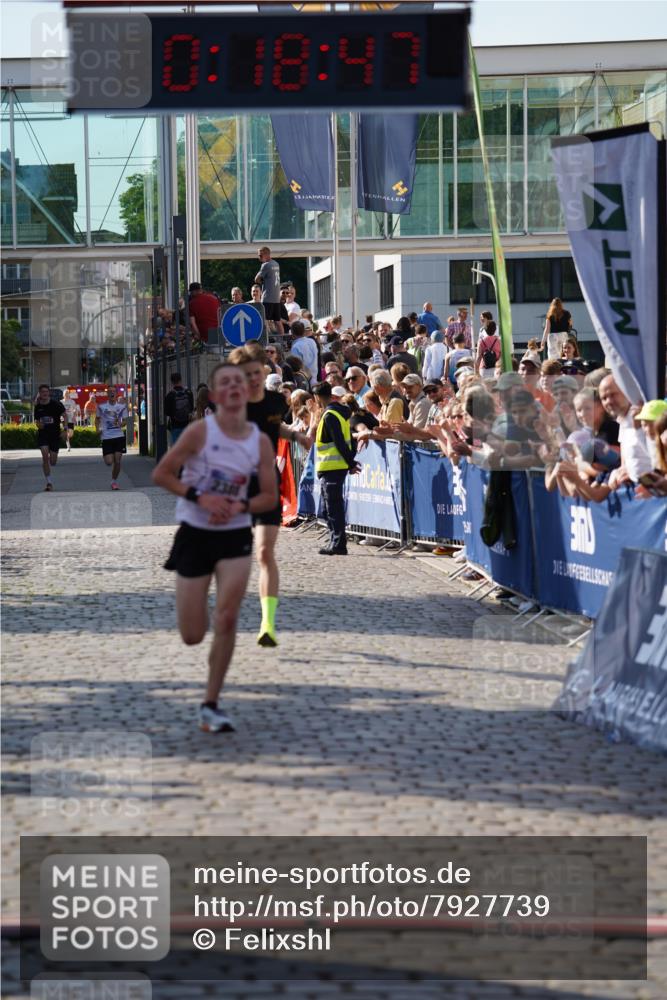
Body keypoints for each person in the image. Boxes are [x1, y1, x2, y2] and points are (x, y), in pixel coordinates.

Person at [153, 363, 277, 733]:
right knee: (192, 634)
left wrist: (240, 506)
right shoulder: (198, 433)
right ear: (216, 395)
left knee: (227, 618)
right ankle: (200, 601)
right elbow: (161, 474)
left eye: (240, 382)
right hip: (195, 531)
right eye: (226, 383)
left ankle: (211, 703)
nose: (234, 387)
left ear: (248, 391)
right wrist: (200, 497)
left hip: (235, 533)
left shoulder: (259, 441)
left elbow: (270, 495)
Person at [229, 343, 312, 647]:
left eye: (256, 373)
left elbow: (275, 429)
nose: (251, 379)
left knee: (264, 552)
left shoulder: (276, 401)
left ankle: (267, 623)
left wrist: (297, 435)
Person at [312, 381, 360, 555]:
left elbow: (339, 442)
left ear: (317, 397)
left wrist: (351, 463)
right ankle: (335, 540)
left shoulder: (330, 415)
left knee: (333, 507)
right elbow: (347, 440)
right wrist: (350, 462)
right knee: (329, 508)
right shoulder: (339, 414)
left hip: (332, 467)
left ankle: (338, 544)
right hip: (335, 466)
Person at [95, 385, 128, 491]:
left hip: (118, 436)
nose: (112, 393)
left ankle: (114, 481)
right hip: (107, 437)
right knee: (109, 462)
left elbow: (125, 421)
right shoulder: (101, 406)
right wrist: (97, 429)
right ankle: (111, 460)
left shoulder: (122, 407)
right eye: (110, 392)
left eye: (114, 391)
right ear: (107, 394)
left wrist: (121, 423)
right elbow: (97, 419)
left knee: (117, 461)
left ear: (116, 393)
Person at [34, 383, 65, 492]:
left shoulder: (56, 404)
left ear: (49, 393)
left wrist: (65, 429)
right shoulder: (38, 407)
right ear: (40, 393)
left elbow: (65, 415)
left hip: (55, 435)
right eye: (42, 392)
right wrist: (38, 425)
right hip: (43, 434)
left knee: (53, 461)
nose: (45, 394)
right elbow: (37, 420)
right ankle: (49, 482)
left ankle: (52, 460)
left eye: (46, 392)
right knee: (44, 456)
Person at [254, 246, 283, 336]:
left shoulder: (265, 265)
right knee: (277, 321)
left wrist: (262, 281)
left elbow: (256, 279)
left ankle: (266, 341)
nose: (259, 258)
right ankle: (282, 341)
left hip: (267, 298)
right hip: (276, 298)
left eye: (260, 255)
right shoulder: (276, 264)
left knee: (264, 320)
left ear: (266, 254)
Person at [164, 372, 194, 445]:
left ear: (171, 382)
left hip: (175, 426)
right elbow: (192, 408)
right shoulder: (188, 393)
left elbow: (167, 412)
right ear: (181, 380)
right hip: (187, 425)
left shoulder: (169, 395)